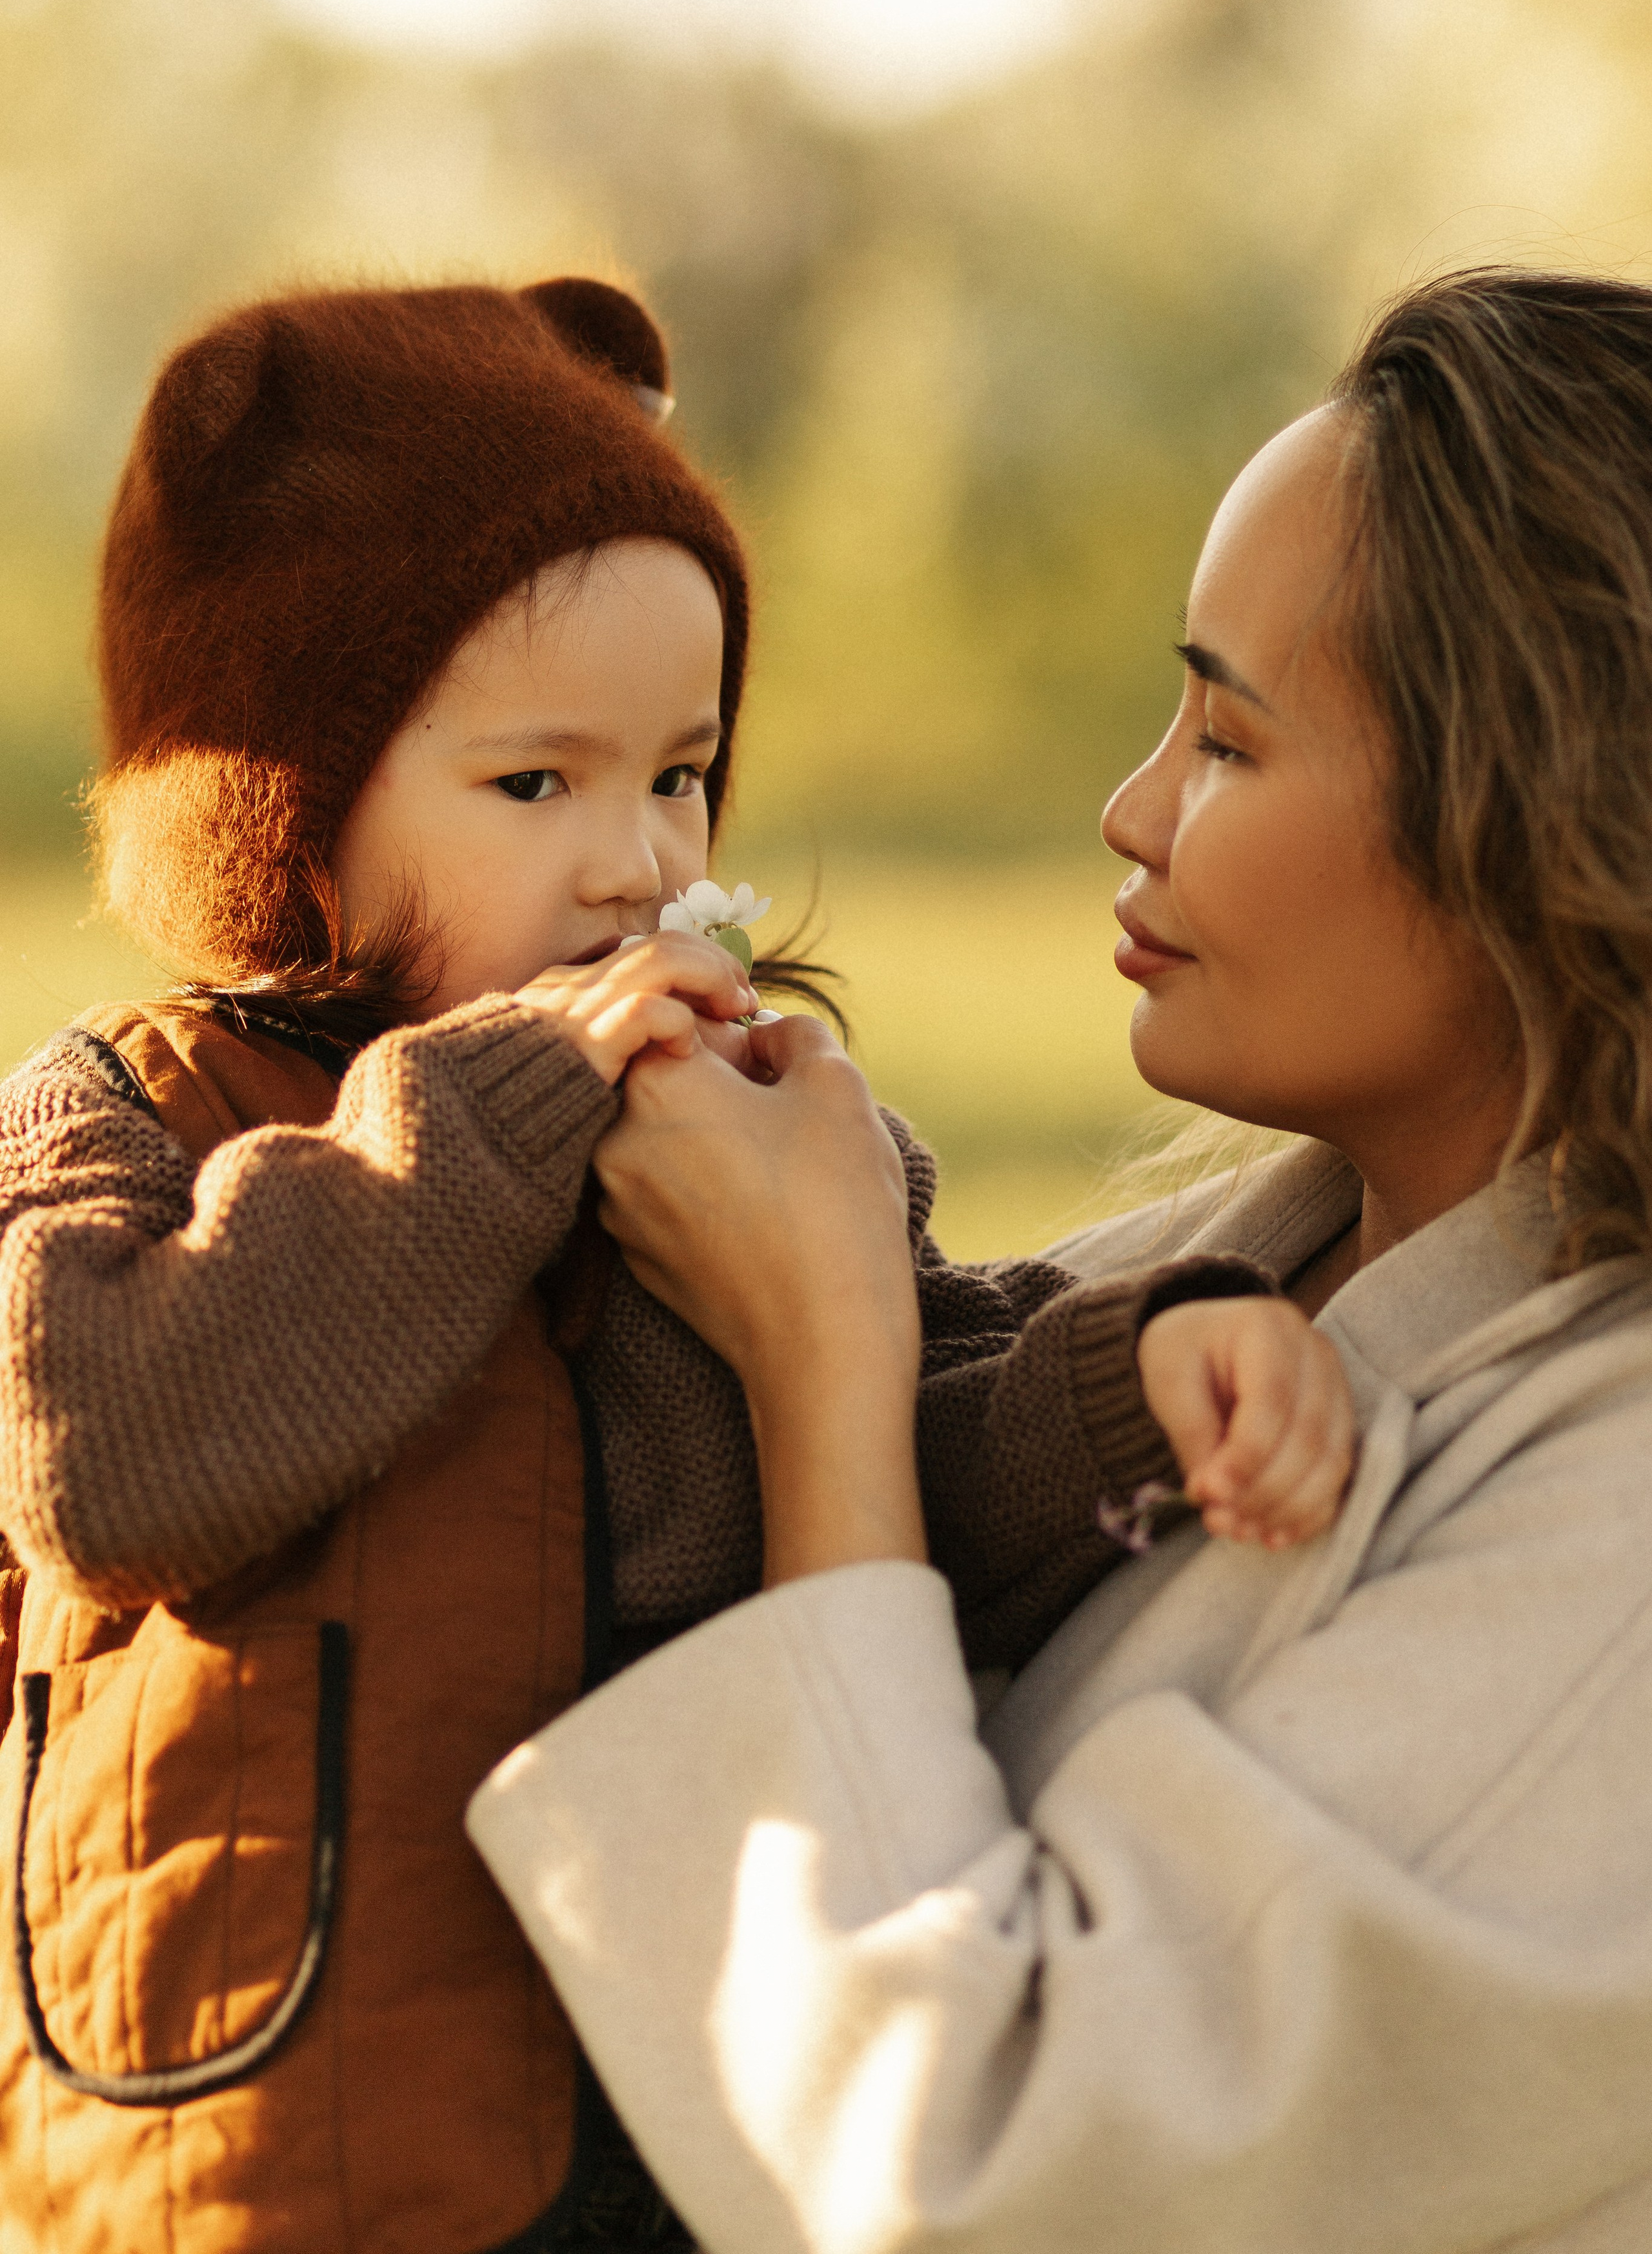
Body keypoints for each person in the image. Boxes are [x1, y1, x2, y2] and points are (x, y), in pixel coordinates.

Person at [0, 275, 1353, 2254]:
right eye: (536, 787)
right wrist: (495, 1105)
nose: (637, 861)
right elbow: (101, 1463)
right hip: (255, 2142)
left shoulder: (720, 1116)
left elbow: (891, 1424)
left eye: (681, 774)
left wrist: (1134, 1378)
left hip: (674, 2103)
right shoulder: (140, 1107)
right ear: (284, 802)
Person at [470, 268, 1652, 2254]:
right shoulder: (1240, 1279)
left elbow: (966, 2180)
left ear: (1537, 823)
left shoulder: (1611, 1553)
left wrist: (821, 1354)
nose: (1129, 807)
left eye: (1229, 740)